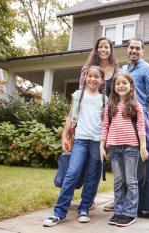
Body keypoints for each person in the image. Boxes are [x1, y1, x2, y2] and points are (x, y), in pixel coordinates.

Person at [43, 66, 107, 227]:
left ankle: (84, 208)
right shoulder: (78, 95)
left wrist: (105, 145)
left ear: (102, 80)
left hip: (97, 142)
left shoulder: (105, 100)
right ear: (85, 78)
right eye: (90, 76)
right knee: (72, 173)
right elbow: (71, 117)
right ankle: (59, 212)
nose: (92, 79)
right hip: (80, 140)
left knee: (93, 176)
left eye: (96, 77)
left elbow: (107, 123)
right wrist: (65, 135)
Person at [103, 37, 149, 212]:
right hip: (121, 121)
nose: (134, 51)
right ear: (127, 50)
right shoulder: (123, 69)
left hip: (138, 121)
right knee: (120, 169)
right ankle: (120, 202)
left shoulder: (148, 69)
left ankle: (134, 204)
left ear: (142, 51)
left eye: (137, 48)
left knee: (136, 167)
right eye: (131, 48)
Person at [100, 72, 149, 227]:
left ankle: (129, 213)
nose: (121, 86)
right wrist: (102, 146)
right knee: (119, 181)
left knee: (131, 180)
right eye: (117, 83)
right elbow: (105, 127)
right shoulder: (110, 107)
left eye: (124, 83)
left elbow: (141, 127)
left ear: (131, 86)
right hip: (114, 148)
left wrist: (143, 147)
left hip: (131, 148)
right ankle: (119, 210)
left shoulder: (135, 105)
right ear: (113, 87)